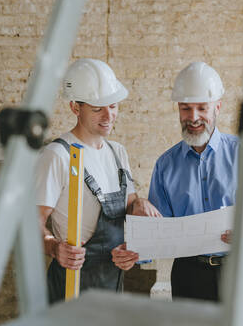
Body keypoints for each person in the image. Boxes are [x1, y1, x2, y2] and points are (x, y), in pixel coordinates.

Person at [148, 62, 243, 307]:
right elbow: (160, 229)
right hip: (189, 276)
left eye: (202, 108)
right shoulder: (165, 166)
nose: (194, 117)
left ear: (217, 107)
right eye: (186, 108)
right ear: (178, 109)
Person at [35, 58, 160, 303]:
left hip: (112, 281)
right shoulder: (58, 155)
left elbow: (130, 204)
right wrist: (52, 247)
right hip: (71, 285)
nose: (108, 115)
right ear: (74, 107)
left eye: (113, 106)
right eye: (97, 109)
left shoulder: (117, 152)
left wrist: (140, 205)